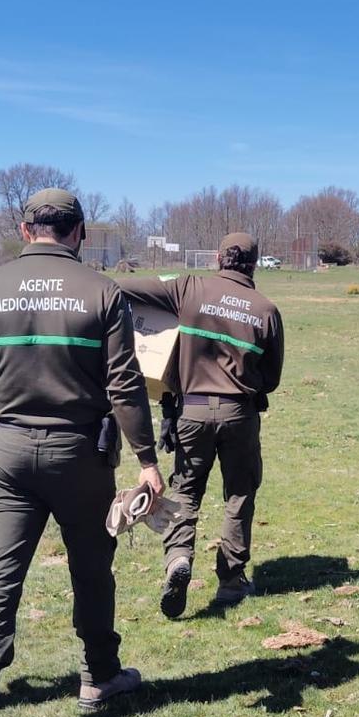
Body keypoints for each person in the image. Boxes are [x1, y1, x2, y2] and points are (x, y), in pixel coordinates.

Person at [0, 189, 164, 717]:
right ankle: (99, 674)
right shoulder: (102, 291)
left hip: (6, 450)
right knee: (92, 570)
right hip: (81, 455)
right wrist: (147, 458)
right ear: (80, 232)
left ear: (26, 229)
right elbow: (125, 384)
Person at [120, 232, 284, 617]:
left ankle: (178, 558)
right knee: (239, 494)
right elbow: (272, 379)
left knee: (187, 491)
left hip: (190, 411)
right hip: (239, 414)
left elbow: (126, 289)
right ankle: (230, 580)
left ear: (217, 258)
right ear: (254, 263)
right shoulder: (265, 310)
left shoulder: (188, 288)